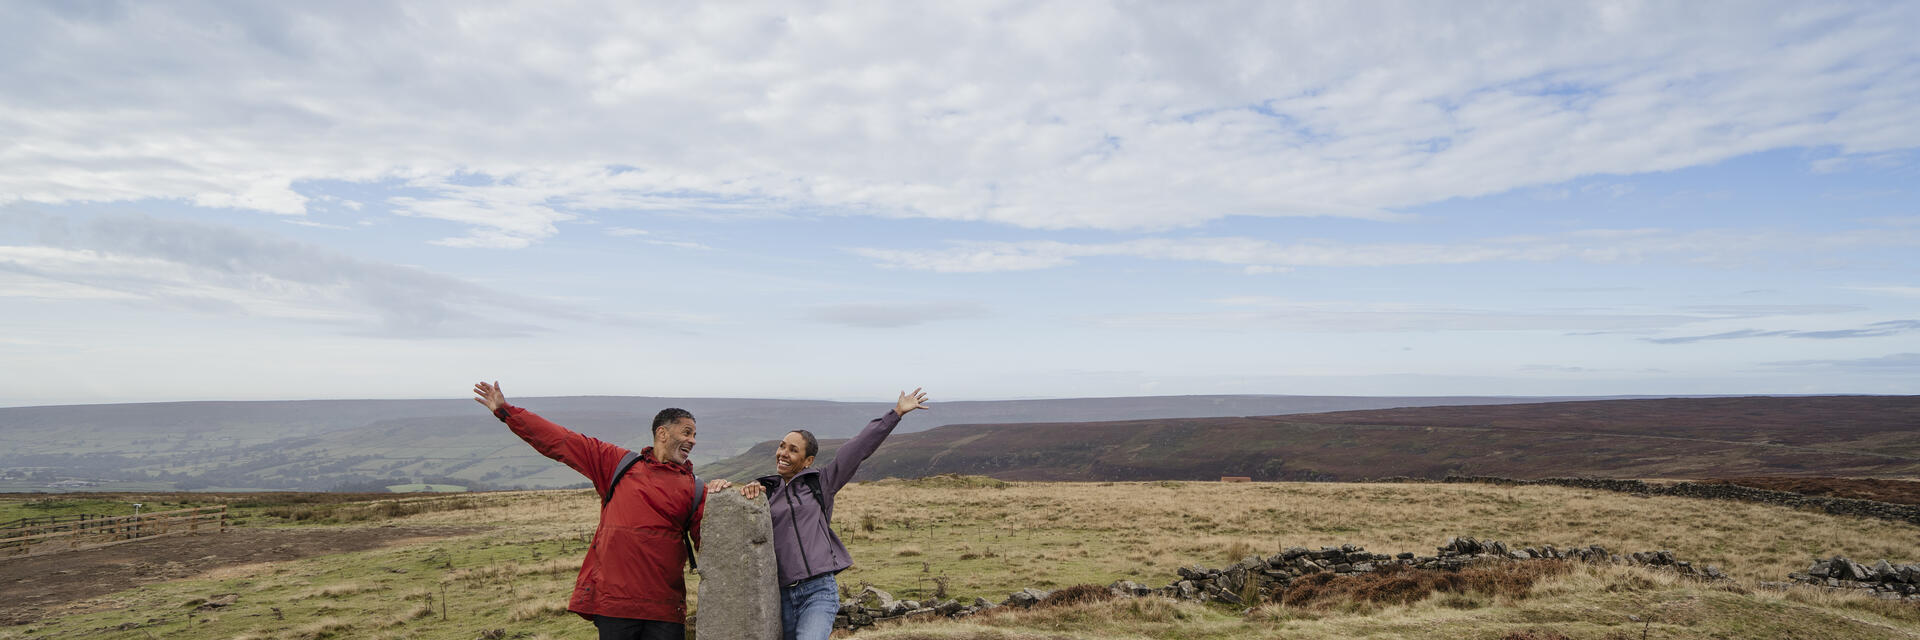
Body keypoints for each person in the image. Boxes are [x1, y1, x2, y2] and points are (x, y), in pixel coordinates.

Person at [472, 381, 727, 640]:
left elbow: (716, 549)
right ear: (662, 433)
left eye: (694, 435)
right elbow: (561, 441)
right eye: (687, 433)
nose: (692, 441)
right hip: (615, 606)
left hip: (664, 610)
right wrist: (507, 411)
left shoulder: (695, 488)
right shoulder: (617, 464)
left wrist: (730, 495)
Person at [727, 388, 930, 640]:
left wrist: (896, 413)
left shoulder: (822, 483)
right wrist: (743, 493)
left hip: (818, 590)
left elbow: (857, 449)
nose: (783, 454)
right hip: (780, 595)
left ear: (808, 460)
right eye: (781, 447)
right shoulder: (765, 492)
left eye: (793, 450)